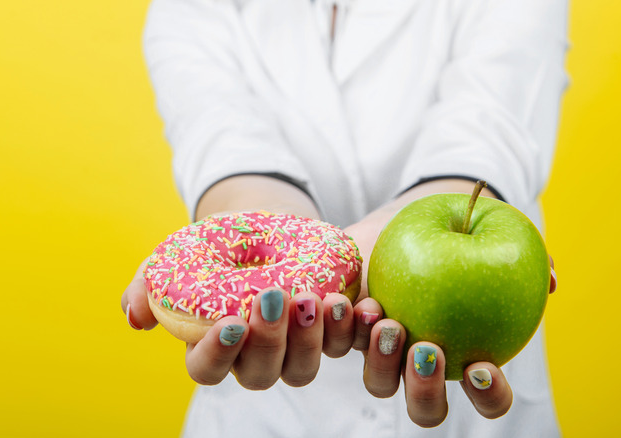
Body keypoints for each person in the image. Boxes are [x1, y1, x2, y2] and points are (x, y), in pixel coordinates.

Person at [122, 0, 567, 436]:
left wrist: (396, 238)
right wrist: (261, 224)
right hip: (264, 419)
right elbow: (223, 142)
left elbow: (489, 126)